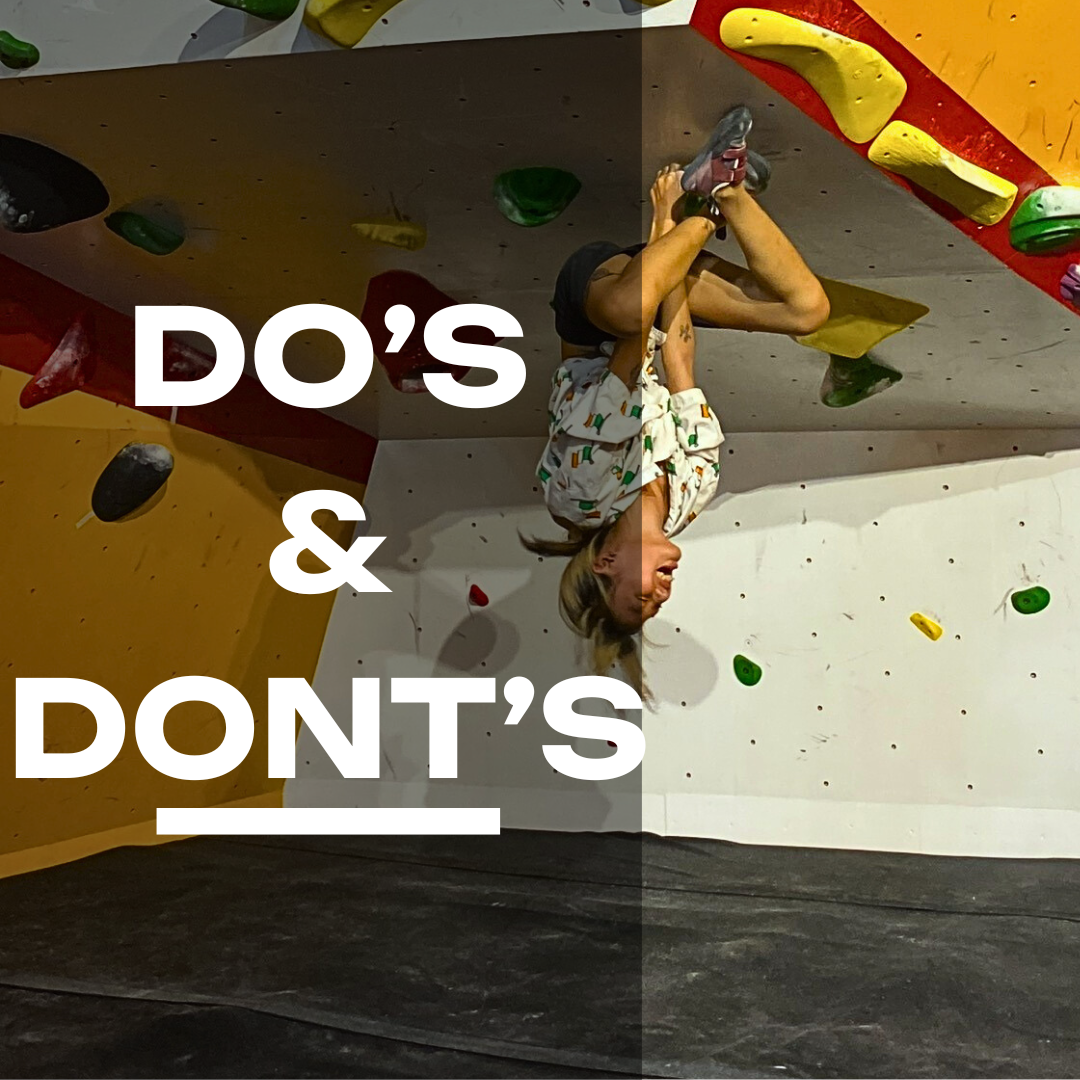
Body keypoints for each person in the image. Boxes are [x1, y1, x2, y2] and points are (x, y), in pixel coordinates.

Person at [524, 106, 830, 690]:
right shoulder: (692, 496)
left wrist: (666, 221)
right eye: (661, 600)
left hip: (599, 312)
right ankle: (728, 188)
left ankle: (703, 199)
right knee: (807, 312)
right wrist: (675, 262)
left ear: (606, 565)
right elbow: (678, 355)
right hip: (655, 307)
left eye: (643, 595)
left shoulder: (580, 496)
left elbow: (631, 346)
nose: (662, 589)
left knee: (626, 309)